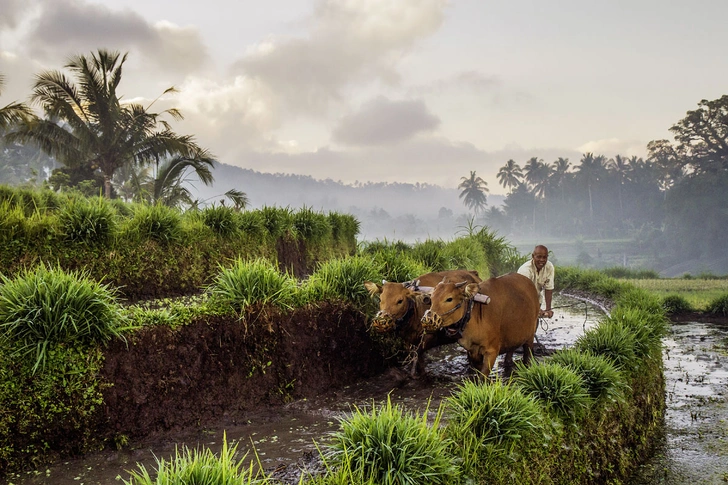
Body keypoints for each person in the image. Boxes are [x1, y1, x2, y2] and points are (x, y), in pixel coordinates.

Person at [517, 245, 554, 318]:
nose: (542, 260)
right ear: (533, 256)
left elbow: (549, 289)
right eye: (539, 257)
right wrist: (536, 309)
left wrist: (548, 309)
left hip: (537, 299)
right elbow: (523, 293)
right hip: (521, 300)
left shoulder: (549, 267)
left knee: (534, 325)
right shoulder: (525, 270)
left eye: (544, 257)